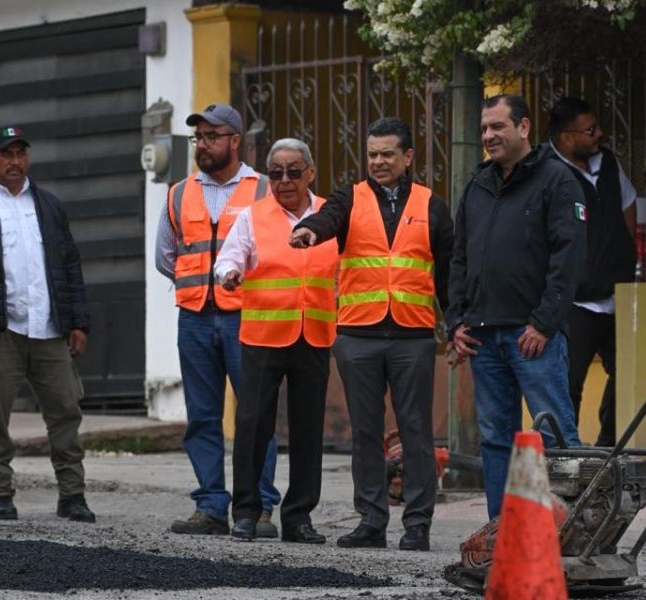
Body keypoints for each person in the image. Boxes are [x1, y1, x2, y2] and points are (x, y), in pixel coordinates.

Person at [291, 117, 454, 551]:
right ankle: (371, 522)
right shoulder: (350, 197)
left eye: (387, 154)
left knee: (416, 430)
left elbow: (450, 273)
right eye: (372, 154)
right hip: (358, 334)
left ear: (408, 157)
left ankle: (417, 524)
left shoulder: (431, 204)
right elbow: (328, 217)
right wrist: (309, 229)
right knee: (364, 431)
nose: (378, 161)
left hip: (412, 334)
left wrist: (456, 324)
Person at [446, 95, 586, 520]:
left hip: (533, 338)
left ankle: (570, 534)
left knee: (554, 436)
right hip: (484, 337)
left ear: (523, 127)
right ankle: (501, 535)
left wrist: (543, 323)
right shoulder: (478, 184)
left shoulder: (557, 180)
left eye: (497, 127)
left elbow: (570, 256)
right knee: (494, 439)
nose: (488, 136)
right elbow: (459, 257)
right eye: (484, 128)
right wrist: (456, 321)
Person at [0, 127, 95, 524]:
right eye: (5, 154)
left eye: (21, 153)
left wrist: (77, 321)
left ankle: (73, 495)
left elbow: (70, 264)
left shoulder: (48, 204)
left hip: (49, 328)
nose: (15, 162)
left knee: (65, 411)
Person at [155, 103, 281, 536]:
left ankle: (260, 507)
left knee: (256, 414)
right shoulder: (177, 192)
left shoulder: (264, 190)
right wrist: (197, 286)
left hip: (248, 318)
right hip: (193, 318)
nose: (203, 145)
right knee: (203, 416)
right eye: (198, 138)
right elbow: (165, 257)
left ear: (235, 141)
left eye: (212, 137)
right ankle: (210, 506)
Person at [216, 138, 336, 544]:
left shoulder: (328, 216)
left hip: (314, 335)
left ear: (311, 173)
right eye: (276, 173)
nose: (285, 180)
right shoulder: (253, 216)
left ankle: (299, 517)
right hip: (264, 335)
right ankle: (247, 512)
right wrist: (229, 274)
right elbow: (228, 257)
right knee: (252, 425)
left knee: (307, 429)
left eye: (294, 171)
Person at [548, 97, 637, 448]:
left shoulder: (609, 163)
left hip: (616, 294)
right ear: (568, 137)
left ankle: (606, 447)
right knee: (569, 383)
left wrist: (622, 256)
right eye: (590, 129)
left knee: (624, 377)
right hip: (573, 301)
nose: (599, 134)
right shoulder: (546, 171)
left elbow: (628, 206)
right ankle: (567, 453)